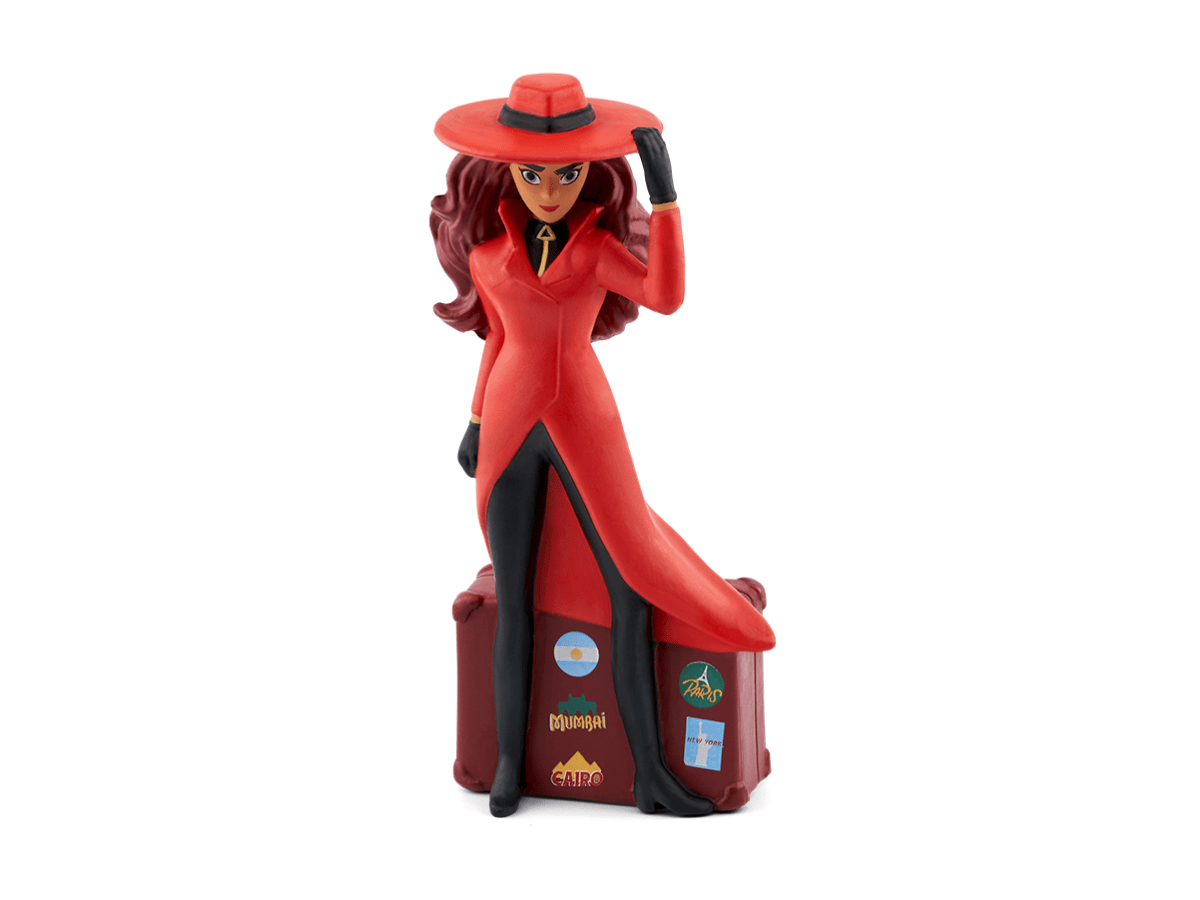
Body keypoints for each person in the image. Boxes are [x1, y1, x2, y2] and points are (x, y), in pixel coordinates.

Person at [431, 74, 775, 817]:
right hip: (511, 425)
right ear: (507, 171)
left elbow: (665, 295)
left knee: (631, 582)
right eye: (533, 175)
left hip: (585, 420)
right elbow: (495, 340)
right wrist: (476, 421)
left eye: (565, 174)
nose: (549, 191)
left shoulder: (595, 250)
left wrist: (666, 200)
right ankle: (509, 764)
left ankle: (650, 772)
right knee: (515, 597)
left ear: (589, 171)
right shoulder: (489, 256)